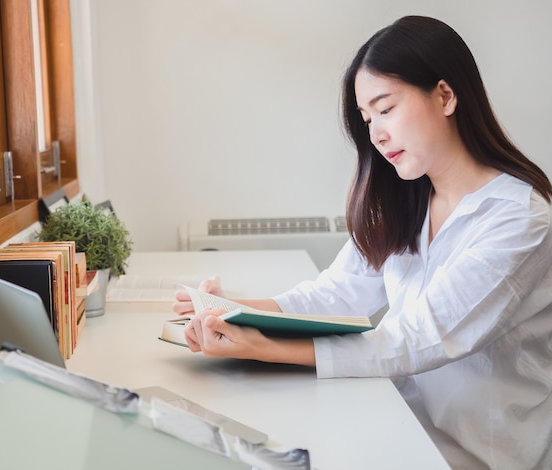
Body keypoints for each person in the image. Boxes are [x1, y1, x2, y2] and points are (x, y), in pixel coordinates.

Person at [173, 15, 552, 470]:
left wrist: (265, 347)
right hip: (399, 418)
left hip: (476, 453)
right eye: (367, 117)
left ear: (446, 96)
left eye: (386, 109)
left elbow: (422, 337)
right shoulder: (407, 199)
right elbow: (336, 293)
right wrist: (232, 310)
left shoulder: (520, 218)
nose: (375, 133)